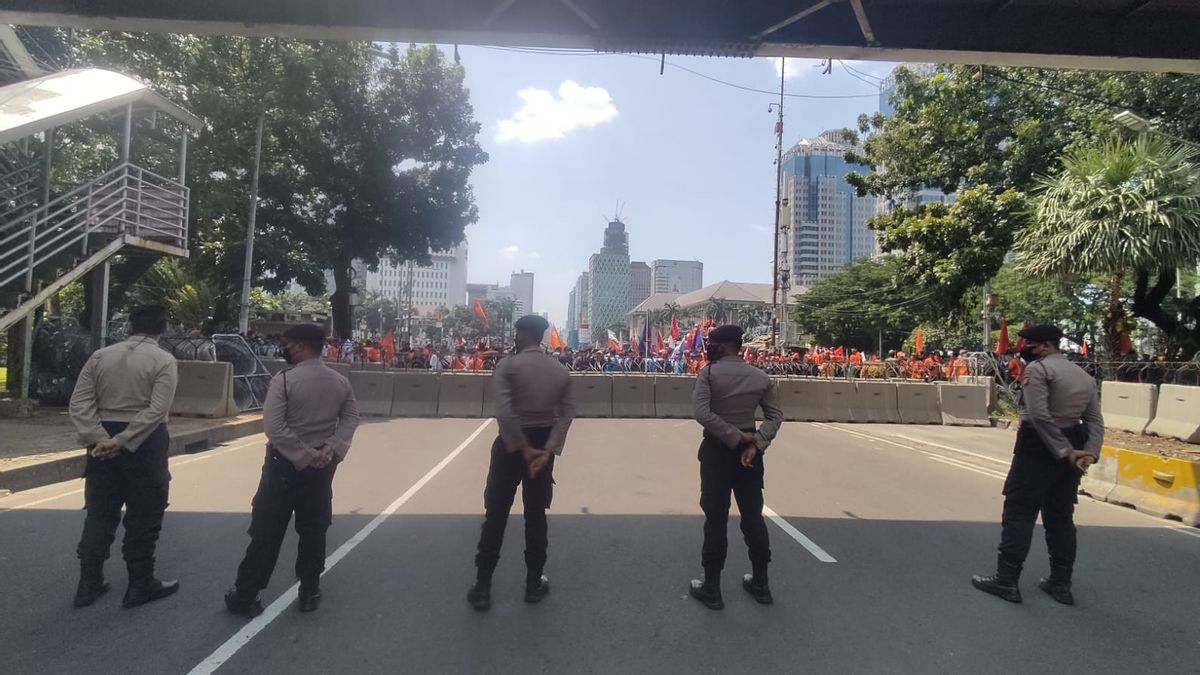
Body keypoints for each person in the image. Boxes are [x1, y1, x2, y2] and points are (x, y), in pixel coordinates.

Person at [225, 324, 359, 617]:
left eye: (286, 344)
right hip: (322, 468)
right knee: (314, 529)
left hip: (283, 467)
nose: (283, 349)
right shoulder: (339, 382)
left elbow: (274, 428)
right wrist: (330, 449)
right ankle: (309, 591)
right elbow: (350, 418)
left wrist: (302, 455)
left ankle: (246, 594)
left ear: (299, 346)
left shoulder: (284, 381)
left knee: (267, 531)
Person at [972, 324, 1103, 606]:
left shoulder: (1038, 371)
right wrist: (1089, 452)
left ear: (1045, 346)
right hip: (1073, 441)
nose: (1024, 349)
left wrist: (1064, 451)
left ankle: (1006, 581)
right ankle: (1061, 583)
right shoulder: (1083, 375)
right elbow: (1094, 420)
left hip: (1038, 446)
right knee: (1060, 517)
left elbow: (1039, 415)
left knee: (1019, 512)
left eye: (1029, 344)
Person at [68, 304, 180, 609]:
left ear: (130, 326)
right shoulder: (164, 360)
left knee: (100, 512)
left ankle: (88, 584)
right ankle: (139, 584)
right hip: (145, 442)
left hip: (101, 442)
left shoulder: (101, 356)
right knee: (144, 514)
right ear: (163, 328)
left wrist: (99, 438)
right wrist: (123, 440)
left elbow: (79, 404)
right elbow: (156, 410)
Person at [468, 315, 576, 611]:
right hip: (543, 447)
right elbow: (567, 415)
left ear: (522, 334)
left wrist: (522, 448)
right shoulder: (560, 370)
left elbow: (504, 412)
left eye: (517, 333)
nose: (514, 338)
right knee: (536, 515)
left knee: (496, 514)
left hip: (509, 446)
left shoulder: (508, 366)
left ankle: (483, 586)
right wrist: (545, 450)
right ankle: (532, 584)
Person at [689, 325, 785, 610]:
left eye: (711, 344)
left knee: (716, 519)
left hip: (717, 452)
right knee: (752, 517)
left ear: (720, 346)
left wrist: (732, 436)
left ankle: (712, 589)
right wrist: (756, 443)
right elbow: (775, 415)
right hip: (750, 455)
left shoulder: (708, 374)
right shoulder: (760, 376)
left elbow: (702, 413)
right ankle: (761, 584)